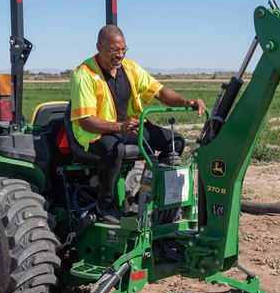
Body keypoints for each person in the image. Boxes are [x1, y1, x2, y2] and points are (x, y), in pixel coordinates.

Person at [69, 25, 206, 224]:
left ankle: (148, 194)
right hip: (96, 133)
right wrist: (119, 127)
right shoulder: (84, 74)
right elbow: (86, 121)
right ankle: (105, 205)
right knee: (113, 149)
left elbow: (159, 91)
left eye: (123, 50)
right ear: (99, 47)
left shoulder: (130, 68)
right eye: (113, 50)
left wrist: (186, 102)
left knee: (174, 141)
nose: (119, 55)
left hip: (128, 128)